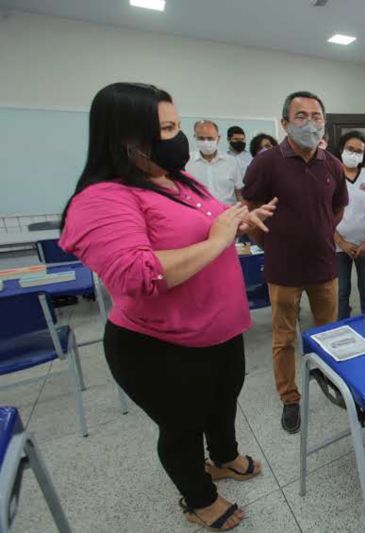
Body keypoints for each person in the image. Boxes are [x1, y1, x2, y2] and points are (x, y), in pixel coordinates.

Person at [59, 83, 276, 531]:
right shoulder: (102, 198)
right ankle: (198, 498)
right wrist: (218, 238)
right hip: (161, 344)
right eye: (168, 129)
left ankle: (224, 457)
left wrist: (237, 223)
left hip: (218, 329)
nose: (180, 138)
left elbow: (206, 224)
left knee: (222, 402)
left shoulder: (176, 179)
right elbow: (136, 274)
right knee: (182, 425)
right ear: (128, 138)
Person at [242, 91, 347, 434]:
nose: (310, 122)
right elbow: (251, 209)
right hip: (283, 270)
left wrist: (322, 232)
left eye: (316, 116)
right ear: (285, 122)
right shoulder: (266, 162)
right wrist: (270, 242)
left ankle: (327, 376)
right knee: (284, 338)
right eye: (300, 116)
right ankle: (290, 398)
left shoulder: (331, 163)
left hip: (323, 267)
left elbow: (338, 207)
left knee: (327, 332)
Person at [334, 131, 365, 320]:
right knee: (341, 290)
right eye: (350, 149)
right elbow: (324, 213)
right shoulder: (331, 175)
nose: (354, 154)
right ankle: (341, 326)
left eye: (359, 151)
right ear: (341, 149)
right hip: (337, 245)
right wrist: (341, 243)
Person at [186, 120, 244, 206]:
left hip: (228, 214)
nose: (206, 142)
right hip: (198, 214)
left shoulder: (232, 162)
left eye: (210, 138)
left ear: (218, 138)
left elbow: (239, 192)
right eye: (201, 138)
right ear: (195, 137)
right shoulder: (187, 162)